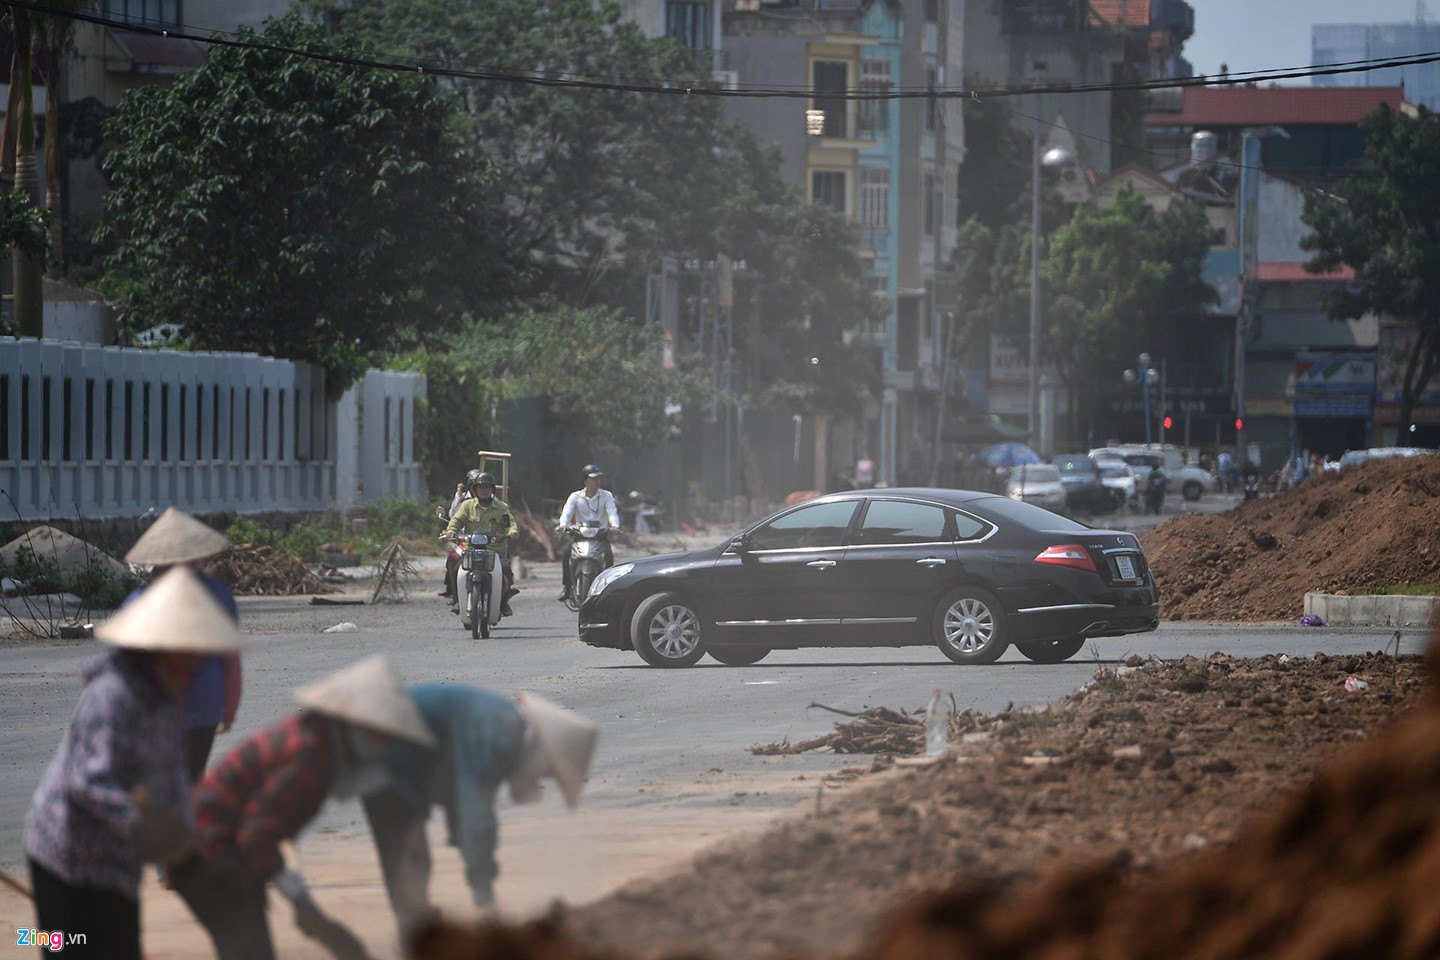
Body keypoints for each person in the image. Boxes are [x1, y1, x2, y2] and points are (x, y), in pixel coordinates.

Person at [24, 568, 243, 960]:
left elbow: (174, 774)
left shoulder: (169, 700)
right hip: (65, 854)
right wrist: (143, 820)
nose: (196, 662)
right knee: (70, 946)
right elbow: (87, 784)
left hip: (118, 862)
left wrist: (184, 833)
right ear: (161, 647)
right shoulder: (114, 695)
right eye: (189, 651)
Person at [168, 655, 435, 960]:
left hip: (220, 850)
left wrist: (305, 908)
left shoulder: (316, 739)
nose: (383, 745)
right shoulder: (310, 758)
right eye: (381, 735)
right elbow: (257, 836)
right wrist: (306, 909)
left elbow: (271, 830)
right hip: (208, 853)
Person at [363, 686, 598, 934]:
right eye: (547, 771)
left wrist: (469, 848)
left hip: (389, 748)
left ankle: (415, 931)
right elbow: (475, 813)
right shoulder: (500, 733)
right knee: (409, 859)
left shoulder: (503, 724)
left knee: (412, 860)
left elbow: (460, 796)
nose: (541, 777)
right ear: (543, 750)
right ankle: (415, 937)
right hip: (382, 752)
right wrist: (484, 896)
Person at [123, 507, 242, 783]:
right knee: (191, 781)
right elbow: (230, 659)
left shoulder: (137, 600)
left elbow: (124, 669)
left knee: (156, 784)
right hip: (205, 709)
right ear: (198, 556)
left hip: (154, 711)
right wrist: (230, 709)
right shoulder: (219, 595)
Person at [446, 472, 519, 617]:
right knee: (456, 567)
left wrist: (512, 531)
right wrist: (451, 531)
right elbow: (456, 521)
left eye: (487, 487)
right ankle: (458, 598)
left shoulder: (501, 508)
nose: (484, 490)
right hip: (470, 550)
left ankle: (503, 601)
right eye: (480, 487)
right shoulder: (467, 506)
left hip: (494, 551)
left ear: (492, 489)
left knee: (506, 571)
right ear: (475, 489)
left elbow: (510, 523)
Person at [555, 464, 620, 602]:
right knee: (566, 555)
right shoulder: (575, 496)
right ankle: (567, 587)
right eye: (593, 478)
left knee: (609, 557)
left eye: (598, 478)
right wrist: (563, 525)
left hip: (600, 535)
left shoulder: (606, 495)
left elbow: (612, 512)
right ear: (585, 481)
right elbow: (567, 512)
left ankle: (608, 588)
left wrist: (614, 526)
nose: (597, 481)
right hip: (579, 535)